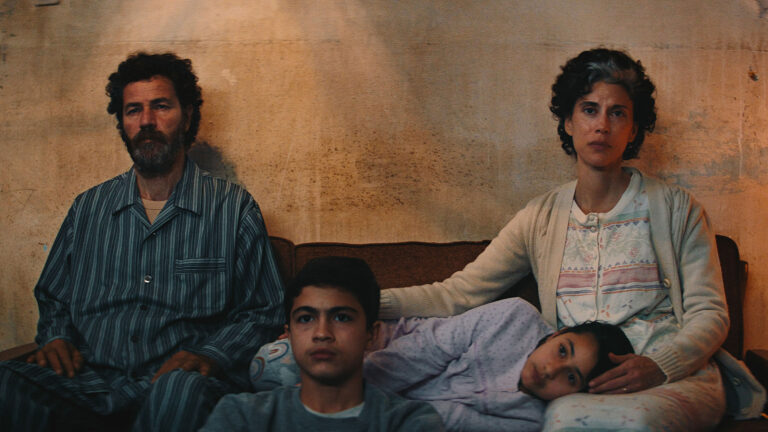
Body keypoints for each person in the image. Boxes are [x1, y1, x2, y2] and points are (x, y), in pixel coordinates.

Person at [375, 48, 765, 430]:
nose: (602, 126)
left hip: (675, 377)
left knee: (636, 421)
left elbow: (710, 313)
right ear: (568, 122)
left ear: (633, 130)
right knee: (566, 419)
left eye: (618, 113)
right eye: (589, 110)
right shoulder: (539, 218)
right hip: (584, 389)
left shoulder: (677, 208)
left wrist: (660, 366)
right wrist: (363, 301)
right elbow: (459, 293)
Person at [0, 52, 285, 431]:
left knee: (178, 392)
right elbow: (53, 297)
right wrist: (55, 337)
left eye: (161, 106)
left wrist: (211, 354)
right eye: (133, 110)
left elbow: (263, 310)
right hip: (91, 380)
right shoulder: (88, 208)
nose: (146, 121)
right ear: (122, 122)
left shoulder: (233, 208)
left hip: (175, 384)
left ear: (187, 116)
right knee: (7, 381)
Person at [253, 296, 634, 431]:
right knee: (271, 369)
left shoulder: (535, 420)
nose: (550, 370)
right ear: (557, 334)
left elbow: (451, 421)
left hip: (396, 415)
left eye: (570, 377)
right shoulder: (515, 317)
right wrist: (341, 393)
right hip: (382, 349)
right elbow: (424, 351)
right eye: (562, 350)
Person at [201, 257, 445, 432]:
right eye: (306, 319)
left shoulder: (409, 422)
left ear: (371, 334)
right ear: (288, 334)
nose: (322, 333)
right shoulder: (241, 416)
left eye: (342, 318)